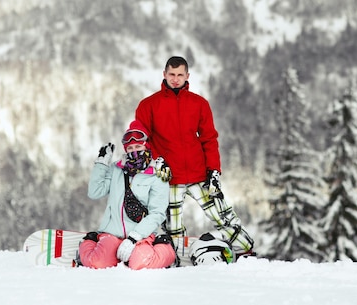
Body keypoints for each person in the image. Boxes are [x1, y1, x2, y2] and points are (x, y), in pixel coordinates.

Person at [135, 56, 255, 258]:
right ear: (164, 74)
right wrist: (156, 161)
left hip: (199, 174)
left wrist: (214, 171)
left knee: (222, 215)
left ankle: (246, 251)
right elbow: (142, 140)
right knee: (173, 227)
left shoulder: (199, 104)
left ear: (187, 76)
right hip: (169, 177)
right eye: (171, 74)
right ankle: (176, 260)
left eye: (180, 75)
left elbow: (209, 139)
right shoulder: (148, 105)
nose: (175, 79)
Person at [76, 119, 177, 270]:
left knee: (139, 263)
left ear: (146, 146)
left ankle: (166, 249)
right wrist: (101, 164)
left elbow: (157, 213)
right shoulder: (116, 169)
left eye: (138, 146)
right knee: (97, 263)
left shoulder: (157, 174)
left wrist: (134, 237)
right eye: (130, 148)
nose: (134, 150)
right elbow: (95, 192)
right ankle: (88, 245)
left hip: (141, 236)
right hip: (112, 234)